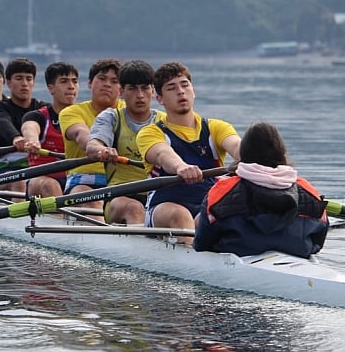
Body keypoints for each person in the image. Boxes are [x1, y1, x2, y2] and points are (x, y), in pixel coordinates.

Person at [136, 61, 241, 243]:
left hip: (207, 204)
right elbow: (162, 153)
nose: (180, 91)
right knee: (180, 216)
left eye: (185, 85)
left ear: (193, 91)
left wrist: (249, 158)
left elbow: (237, 146)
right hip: (165, 206)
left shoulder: (216, 127)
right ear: (159, 98)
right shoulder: (151, 133)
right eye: (171, 88)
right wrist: (181, 167)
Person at [194, 122, 329, 258]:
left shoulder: (222, 190)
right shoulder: (308, 190)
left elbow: (202, 244)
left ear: (244, 153)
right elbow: (318, 242)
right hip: (298, 255)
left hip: (239, 258)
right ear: (281, 152)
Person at [85, 60, 163, 224]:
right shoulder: (111, 117)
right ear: (121, 91)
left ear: (153, 91)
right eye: (133, 89)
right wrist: (102, 150)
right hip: (119, 196)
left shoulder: (165, 121)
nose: (140, 95)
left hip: (159, 196)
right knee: (134, 209)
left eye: (145, 88)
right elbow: (92, 146)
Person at [59, 59, 125, 208]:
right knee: (89, 199)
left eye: (114, 81)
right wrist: (99, 148)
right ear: (89, 83)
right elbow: (80, 134)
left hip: (121, 181)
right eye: (102, 79)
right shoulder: (71, 112)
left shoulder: (128, 112)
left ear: (121, 89)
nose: (107, 84)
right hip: (84, 179)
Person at [20, 62, 79, 197]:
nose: (71, 87)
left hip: (76, 180)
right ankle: (59, 217)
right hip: (41, 178)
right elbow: (30, 128)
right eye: (64, 82)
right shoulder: (38, 116)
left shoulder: (85, 115)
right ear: (51, 88)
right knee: (50, 186)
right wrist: (32, 141)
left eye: (74, 82)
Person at [0, 57, 45, 191]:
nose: (24, 83)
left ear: (34, 83)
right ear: (8, 82)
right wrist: (16, 137)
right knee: (19, 182)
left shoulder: (43, 109)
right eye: (19, 78)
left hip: (38, 166)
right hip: (8, 167)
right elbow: (2, 122)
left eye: (28, 79)